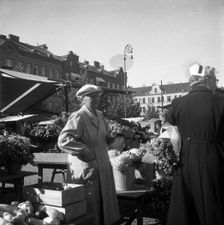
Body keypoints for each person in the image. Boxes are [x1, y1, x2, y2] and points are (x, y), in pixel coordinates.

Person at [167, 63, 224, 225]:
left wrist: (176, 149)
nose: (217, 82)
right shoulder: (221, 102)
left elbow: (170, 130)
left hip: (186, 160)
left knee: (186, 208)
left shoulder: (177, 103)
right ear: (206, 79)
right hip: (213, 158)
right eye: (215, 79)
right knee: (213, 203)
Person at [57, 84, 120, 225]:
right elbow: (63, 140)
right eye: (92, 96)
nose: (96, 99)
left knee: (104, 204)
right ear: (82, 99)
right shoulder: (78, 116)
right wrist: (84, 150)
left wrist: (110, 138)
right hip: (87, 168)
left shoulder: (100, 115)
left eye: (98, 96)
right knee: (90, 206)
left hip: (102, 165)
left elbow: (104, 136)